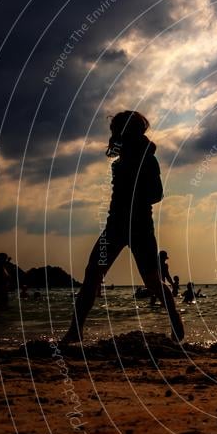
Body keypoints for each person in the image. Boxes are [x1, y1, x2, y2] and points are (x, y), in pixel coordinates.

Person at [61, 111, 184, 344]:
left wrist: (134, 194)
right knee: (92, 274)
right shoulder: (120, 160)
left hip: (140, 227)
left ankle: (174, 317)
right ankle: (75, 330)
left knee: (152, 281)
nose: (113, 134)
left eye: (116, 129)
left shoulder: (148, 158)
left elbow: (157, 195)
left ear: (127, 131)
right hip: (114, 226)